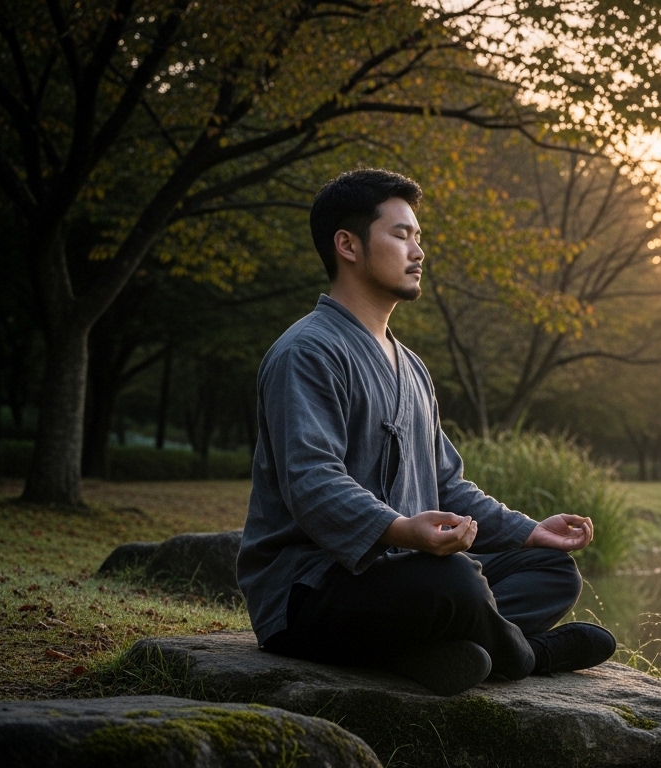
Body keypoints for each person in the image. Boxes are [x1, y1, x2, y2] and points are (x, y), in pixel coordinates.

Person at [236, 168, 614, 696]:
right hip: (311, 592)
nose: (418, 251)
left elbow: (447, 485)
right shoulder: (307, 352)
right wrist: (403, 531)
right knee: (455, 582)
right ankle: (528, 656)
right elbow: (313, 484)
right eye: (400, 235)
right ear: (347, 245)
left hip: (402, 577)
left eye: (419, 237)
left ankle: (432, 653)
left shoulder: (411, 367)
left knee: (551, 569)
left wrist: (529, 531)